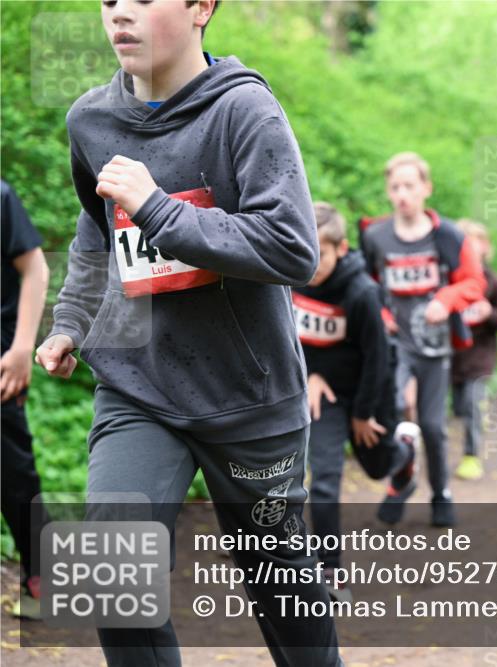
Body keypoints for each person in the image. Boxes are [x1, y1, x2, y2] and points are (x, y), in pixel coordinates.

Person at [34, 1, 343, 664]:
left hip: (248, 395)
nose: (119, 13)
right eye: (109, 0)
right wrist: (72, 319)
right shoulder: (91, 119)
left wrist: (159, 208)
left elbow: (292, 248)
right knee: (110, 568)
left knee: (283, 591)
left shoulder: (244, 111)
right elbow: (99, 229)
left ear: (202, 7)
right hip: (139, 383)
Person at [294, 203, 421, 599]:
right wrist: (311, 374)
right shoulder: (291, 279)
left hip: (371, 388)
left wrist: (365, 415)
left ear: (342, 248)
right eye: (307, 252)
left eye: (323, 254)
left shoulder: (361, 291)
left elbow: (379, 359)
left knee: (375, 465)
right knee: (325, 477)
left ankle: (404, 454)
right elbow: (288, 340)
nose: (313, 263)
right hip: (325, 393)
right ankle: (332, 573)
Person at [361, 152, 487, 526]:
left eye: (410, 186)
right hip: (394, 344)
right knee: (395, 412)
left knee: (432, 426)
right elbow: (365, 282)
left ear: (426, 189)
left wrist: (446, 301)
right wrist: (382, 316)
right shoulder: (375, 235)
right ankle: (400, 479)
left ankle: (441, 493)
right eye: (395, 187)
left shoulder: (449, 236)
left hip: (434, 345)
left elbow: (474, 282)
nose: (402, 194)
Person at [1, 181, 50, 621]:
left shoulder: (0, 197)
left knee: (13, 475)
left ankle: (44, 576)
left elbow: (35, 269)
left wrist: (21, 348)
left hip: (1, 366)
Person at [451, 220, 497, 481]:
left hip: (480, 357)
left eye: (474, 243)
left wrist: (490, 313)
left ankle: (471, 456)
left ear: (485, 247)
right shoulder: (450, 278)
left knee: (472, 406)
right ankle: (477, 412)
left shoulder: (493, 282)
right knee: (460, 407)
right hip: (453, 357)